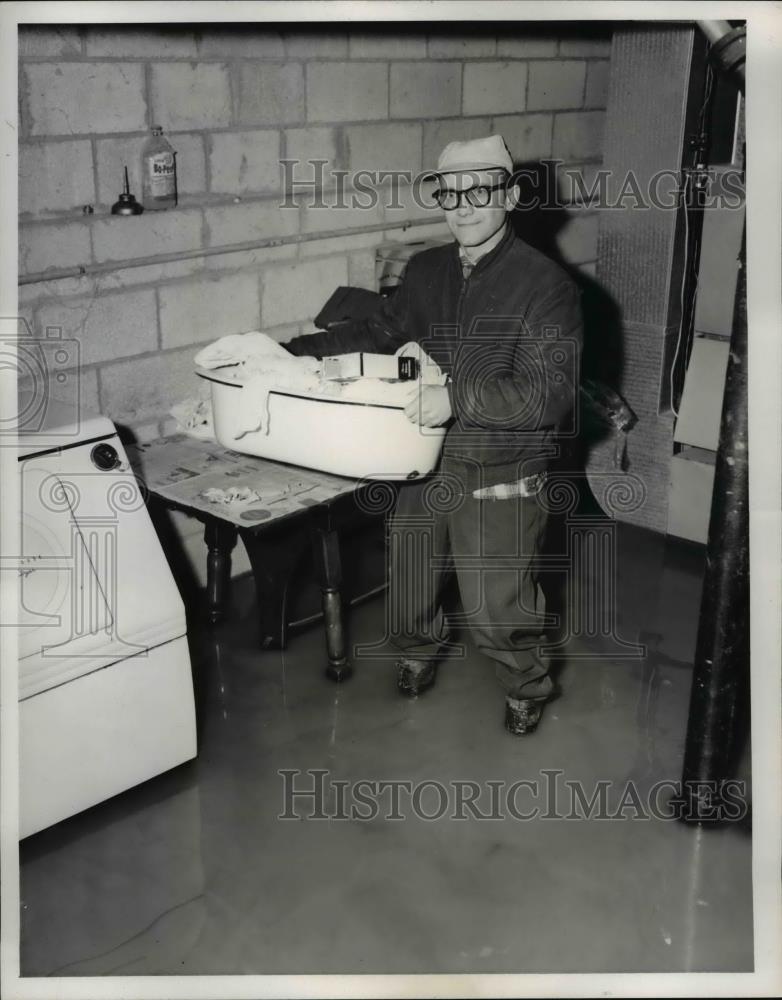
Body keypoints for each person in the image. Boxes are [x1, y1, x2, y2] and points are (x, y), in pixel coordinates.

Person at [283, 134, 582, 734]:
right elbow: (378, 330)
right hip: (420, 459)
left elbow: (551, 394)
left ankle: (525, 684)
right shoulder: (427, 270)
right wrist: (288, 354)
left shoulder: (546, 286)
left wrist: (456, 398)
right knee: (411, 583)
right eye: (450, 192)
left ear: (511, 196)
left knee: (498, 604)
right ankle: (417, 654)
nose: (463, 206)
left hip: (501, 467)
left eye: (479, 191)